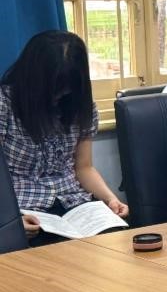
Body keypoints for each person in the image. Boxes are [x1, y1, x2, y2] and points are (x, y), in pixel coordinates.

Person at [0, 31, 129, 244]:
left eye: (66, 90)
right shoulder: (5, 104)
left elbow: (84, 168)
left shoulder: (80, 105)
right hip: (24, 209)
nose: (58, 96)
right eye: (54, 89)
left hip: (74, 204)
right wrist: (9, 222)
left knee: (117, 240)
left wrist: (110, 199)